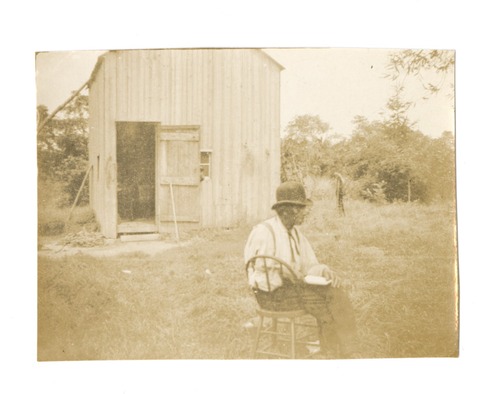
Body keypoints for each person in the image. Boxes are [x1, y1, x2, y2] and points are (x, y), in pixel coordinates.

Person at [244, 181, 355, 358]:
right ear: (289, 210)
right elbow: (257, 267)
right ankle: (336, 352)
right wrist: (289, 273)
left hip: (290, 291)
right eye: (302, 209)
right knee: (326, 305)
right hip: (270, 295)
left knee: (334, 293)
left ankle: (340, 350)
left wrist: (323, 270)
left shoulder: (296, 234)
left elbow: (309, 264)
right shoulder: (265, 231)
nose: (306, 213)